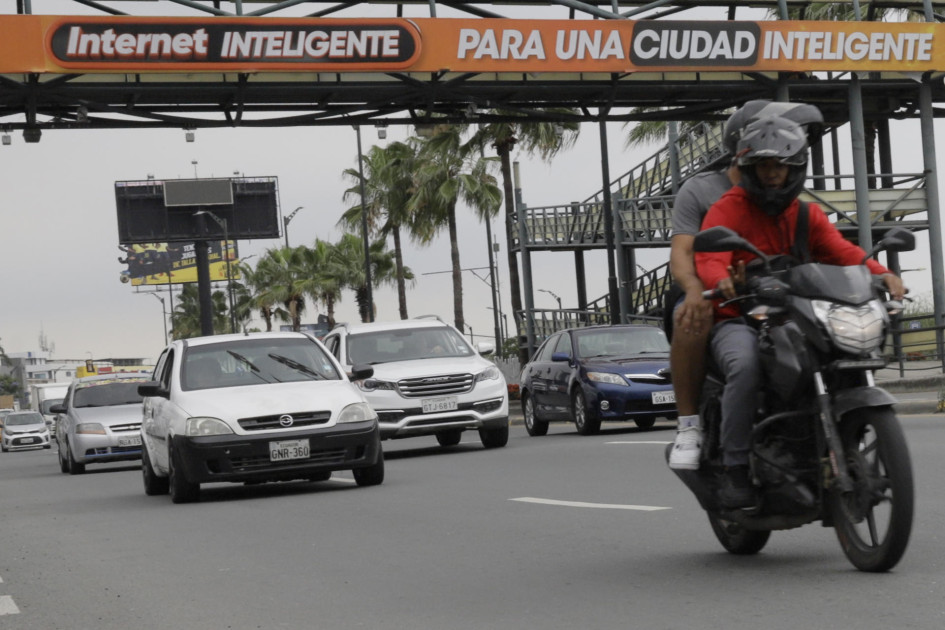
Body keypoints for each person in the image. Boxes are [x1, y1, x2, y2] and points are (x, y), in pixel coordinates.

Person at [695, 114, 906, 508]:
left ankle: (833, 438)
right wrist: (721, 278)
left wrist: (882, 274)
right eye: (763, 165)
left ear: (796, 168)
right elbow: (709, 258)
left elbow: (844, 253)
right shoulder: (729, 209)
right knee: (745, 366)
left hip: (793, 312)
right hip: (739, 316)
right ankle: (735, 468)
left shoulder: (807, 215)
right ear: (749, 167)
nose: (773, 173)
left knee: (837, 353)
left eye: (781, 165)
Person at [668, 100, 825, 470]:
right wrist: (697, 288)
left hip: (777, 295)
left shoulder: (784, 190)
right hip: (714, 292)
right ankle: (689, 425)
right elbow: (683, 253)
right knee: (692, 315)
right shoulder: (702, 191)